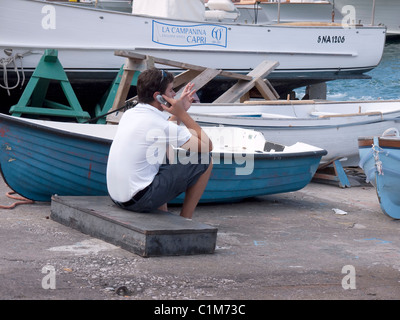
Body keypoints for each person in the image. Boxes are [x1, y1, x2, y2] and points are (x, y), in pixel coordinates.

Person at [106, 68, 213, 219]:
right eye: (171, 91)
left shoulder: (130, 114)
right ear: (158, 97)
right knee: (205, 160)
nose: (174, 95)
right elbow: (207, 146)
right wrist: (182, 113)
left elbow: (164, 132)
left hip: (119, 198)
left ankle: (163, 213)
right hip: (139, 201)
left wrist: (177, 112)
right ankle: (186, 219)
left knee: (163, 150)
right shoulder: (159, 124)